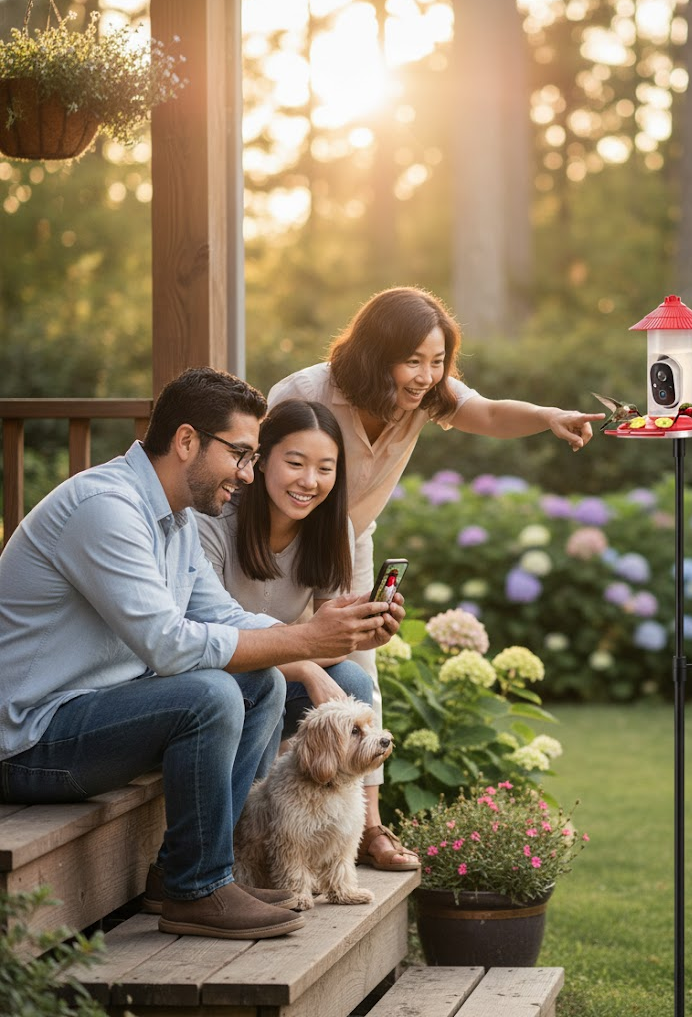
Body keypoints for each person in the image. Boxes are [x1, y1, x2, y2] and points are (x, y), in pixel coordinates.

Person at [0, 367, 403, 940]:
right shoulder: (105, 508)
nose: (246, 473)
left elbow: (226, 617)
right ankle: (198, 888)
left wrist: (315, 650)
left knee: (256, 680)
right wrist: (305, 640)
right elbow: (168, 644)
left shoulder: (176, 519)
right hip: (28, 738)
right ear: (187, 441)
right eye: (240, 453)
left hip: (96, 711)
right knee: (209, 692)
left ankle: (190, 873)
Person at [267, 285, 604, 870]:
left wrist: (551, 416)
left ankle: (367, 828)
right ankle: (270, 829)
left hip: (348, 544)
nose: (427, 375)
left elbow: (491, 413)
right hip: (282, 536)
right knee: (270, 657)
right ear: (377, 354)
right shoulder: (303, 393)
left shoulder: (426, 395)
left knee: (359, 676)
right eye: (413, 360)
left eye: (438, 360)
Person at [195, 399, 375, 742]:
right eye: (295, 463)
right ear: (260, 461)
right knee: (269, 685)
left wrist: (362, 630)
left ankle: (329, 796)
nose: (309, 481)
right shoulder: (214, 522)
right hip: (213, 679)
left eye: (325, 469)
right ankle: (258, 796)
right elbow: (208, 646)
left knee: (352, 680)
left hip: (270, 675)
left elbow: (333, 641)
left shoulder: (333, 529)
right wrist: (304, 668)